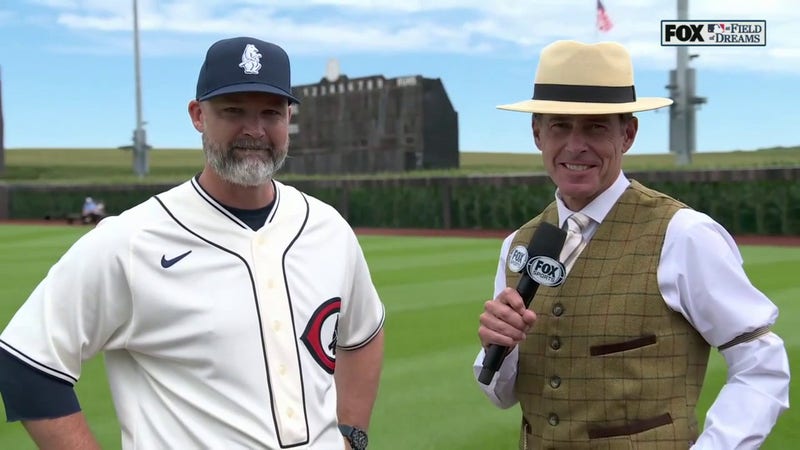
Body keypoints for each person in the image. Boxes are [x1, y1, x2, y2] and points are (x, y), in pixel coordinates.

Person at [0, 36, 385, 450]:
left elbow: (363, 334)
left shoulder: (328, 227)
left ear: (288, 118)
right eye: (233, 111)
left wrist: (352, 435)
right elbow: (26, 362)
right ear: (198, 115)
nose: (254, 130)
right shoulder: (131, 240)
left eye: (270, 113)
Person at [473, 40, 789, 449]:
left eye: (596, 127)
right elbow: (501, 394)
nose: (575, 145)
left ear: (628, 134)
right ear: (537, 133)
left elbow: (761, 362)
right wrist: (500, 348)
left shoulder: (683, 234)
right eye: (559, 126)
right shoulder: (519, 243)